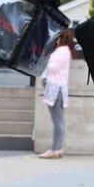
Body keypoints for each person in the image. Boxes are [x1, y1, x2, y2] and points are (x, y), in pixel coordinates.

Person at [39, 29, 76, 159]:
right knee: (59, 120)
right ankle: (58, 148)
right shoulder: (66, 51)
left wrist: (47, 58)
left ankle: (54, 149)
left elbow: (53, 67)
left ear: (61, 38)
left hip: (55, 89)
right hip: (58, 88)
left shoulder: (61, 51)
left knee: (57, 121)